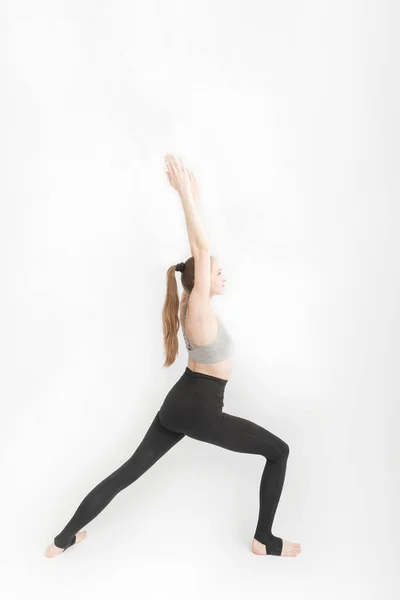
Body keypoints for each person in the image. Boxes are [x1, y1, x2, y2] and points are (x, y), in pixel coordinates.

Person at [45, 154, 301, 558]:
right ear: (201, 281)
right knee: (280, 451)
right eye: (216, 272)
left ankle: (62, 540)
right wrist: (185, 196)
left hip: (178, 404)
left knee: (128, 471)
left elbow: (196, 256)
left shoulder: (186, 300)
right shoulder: (197, 305)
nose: (222, 275)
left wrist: (193, 197)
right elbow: (201, 247)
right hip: (200, 409)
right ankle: (264, 539)